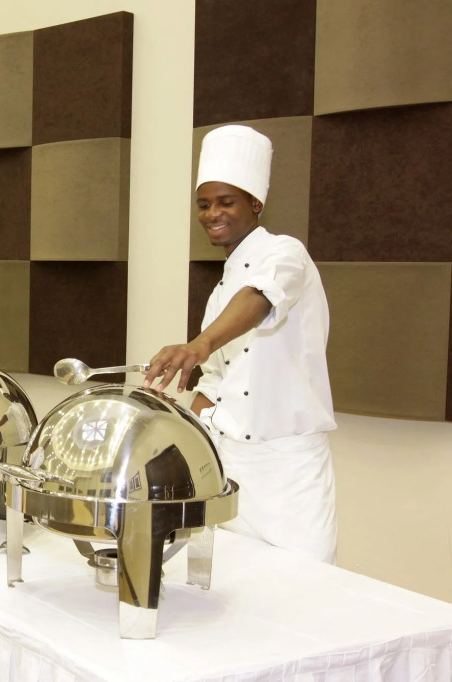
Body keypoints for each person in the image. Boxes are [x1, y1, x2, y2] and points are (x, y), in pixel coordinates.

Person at [142, 124, 337, 564]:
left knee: (305, 587)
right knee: (235, 585)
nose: (212, 213)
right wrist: (176, 428)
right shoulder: (220, 292)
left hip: (289, 470)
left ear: (255, 204)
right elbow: (215, 382)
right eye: (204, 204)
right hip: (228, 466)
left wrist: (199, 345)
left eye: (226, 202)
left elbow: (262, 296)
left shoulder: (286, 254)